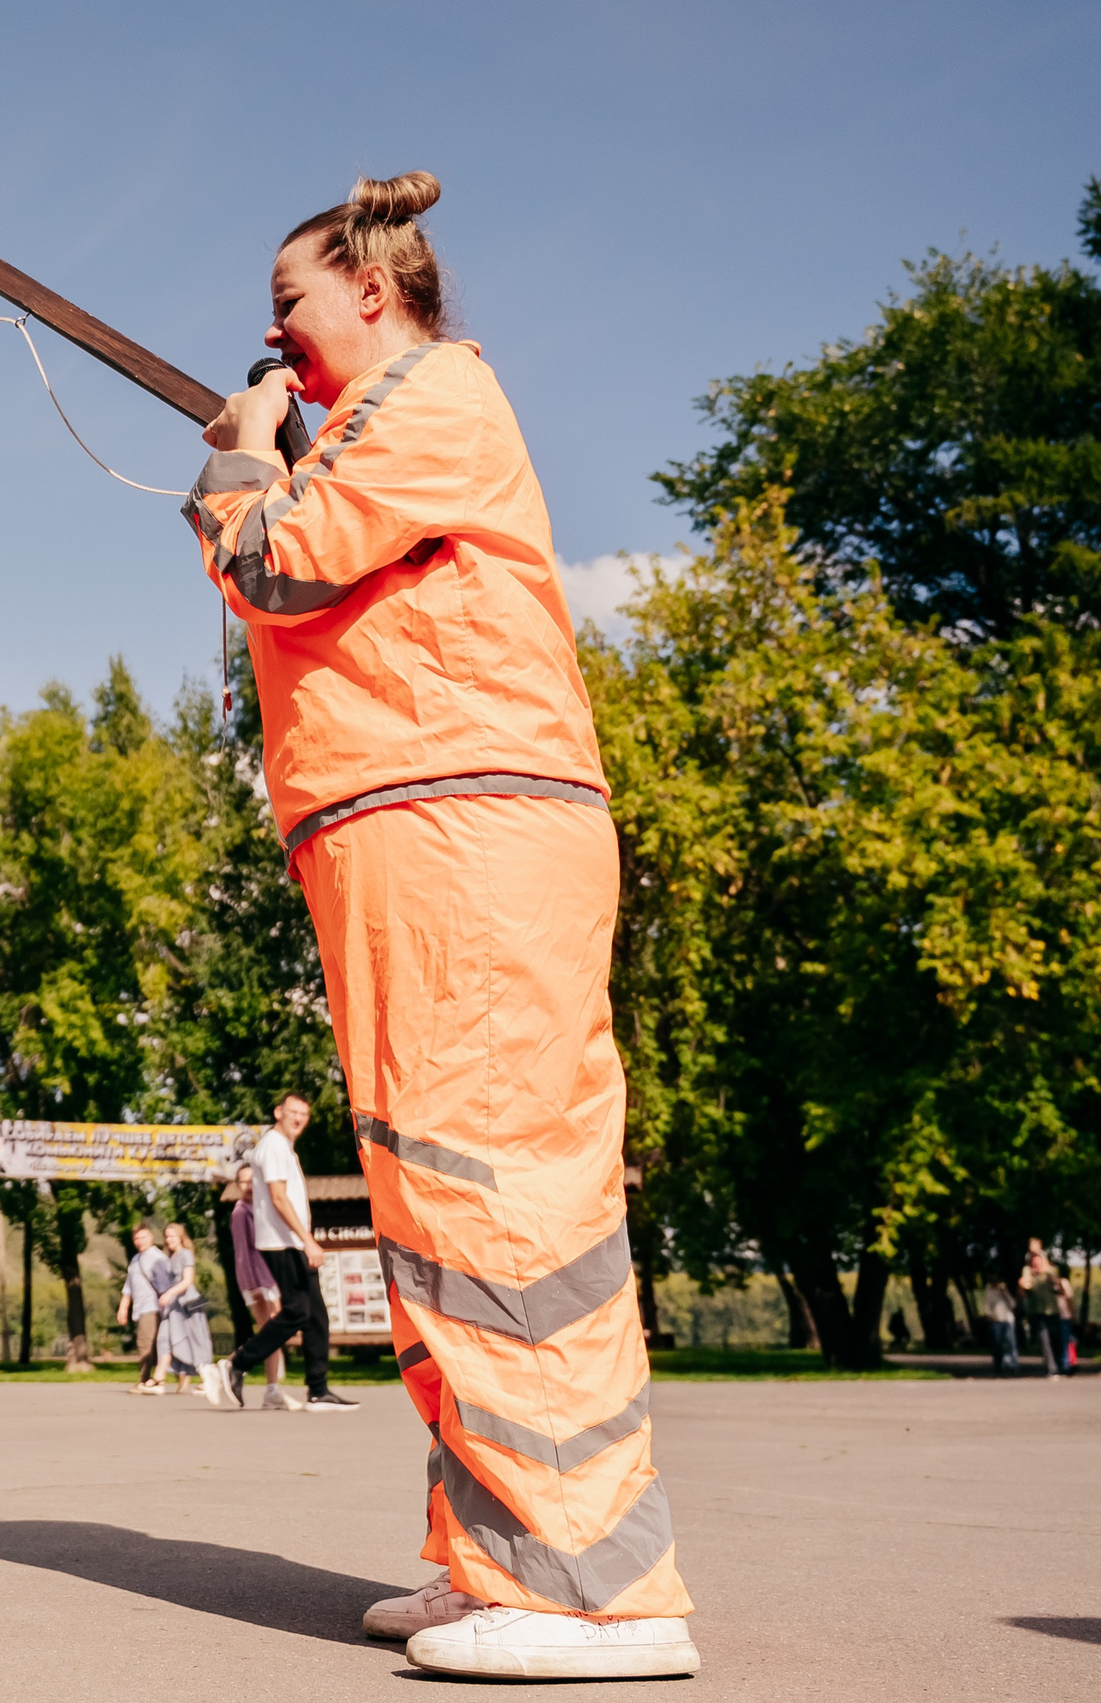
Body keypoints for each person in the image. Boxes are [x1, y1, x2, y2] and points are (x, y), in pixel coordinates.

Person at [184, 174, 698, 1677]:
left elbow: (275, 561)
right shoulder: (372, 426)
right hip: (407, 824)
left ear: (371, 289)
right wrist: (269, 457)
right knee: (428, 1199)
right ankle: (492, 1553)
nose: (271, 331)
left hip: (465, 820)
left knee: (494, 1183)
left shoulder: (432, 399)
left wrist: (237, 462)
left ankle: (593, 1590)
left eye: (288, 300)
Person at [206, 1095, 356, 1414]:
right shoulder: (273, 1145)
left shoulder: (284, 1147)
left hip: (292, 1242)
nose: (299, 1118)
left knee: (315, 1315)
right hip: (282, 1242)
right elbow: (278, 1198)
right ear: (278, 1112)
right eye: (293, 1112)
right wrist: (308, 1240)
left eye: (304, 1114)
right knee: (297, 1312)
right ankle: (236, 1364)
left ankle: (318, 1391)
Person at [229, 1165, 300, 1408]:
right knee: (271, 1332)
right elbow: (242, 1253)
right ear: (237, 1185)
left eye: (252, 1180)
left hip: (270, 1277)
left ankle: (271, 1389)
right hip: (257, 1281)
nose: (248, 1186)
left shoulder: (260, 1207)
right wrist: (253, 1285)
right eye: (243, 1181)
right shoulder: (240, 1212)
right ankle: (234, 1366)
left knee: (273, 1335)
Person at [155, 1224, 218, 1397]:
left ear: (181, 1237)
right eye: (166, 1236)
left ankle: (208, 1378)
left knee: (196, 1340)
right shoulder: (171, 1257)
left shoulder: (185, 1254)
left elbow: (187, 1280)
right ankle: (159, 1378)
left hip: (187, 1304)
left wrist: (169, 1293)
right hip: (174, 1305)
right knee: (165, 1338)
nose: (169, 1239)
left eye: (172, 1236)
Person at [116, 1225, 170, 1392]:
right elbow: (129, 1287)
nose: (140, 1241)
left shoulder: (158, 1258)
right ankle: (156, 1380)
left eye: (143, 1237)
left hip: (152, 1307)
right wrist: (123, 1308)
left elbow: (165, 1286)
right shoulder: (136, 1259)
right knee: (150, 1344)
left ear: (151, 1237)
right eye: (137, 1238)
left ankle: (145, 1379)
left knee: (145, 1343)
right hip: (140, 1308)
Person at [1021, 1249, 1072, 1378]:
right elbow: (1023, 1294)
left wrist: (1057, 1283)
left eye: (1038, 1262)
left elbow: (1061, 1292)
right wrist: (1021, 1286)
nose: (1036, 1264)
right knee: (1044, 1340)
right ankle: (1051, 1368)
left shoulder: (1049, 1275)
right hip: (1037, 1313)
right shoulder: (1029, 1277)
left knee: (1056, 1339)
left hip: (1052, 1312)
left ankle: (1060, 1366)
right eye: (1034, 1262)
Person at [980, 1277, 1019, 1376]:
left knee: (1010, 1344)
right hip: (996, 1321)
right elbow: (987, 1305)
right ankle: (998, 1366)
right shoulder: (989, 1291)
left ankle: (1011, 1365)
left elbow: (1013, 1304)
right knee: (997, 1344)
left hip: (1008, 1320)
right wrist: (991, 1316)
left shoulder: (1004, 1291)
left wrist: (1004, 1292)